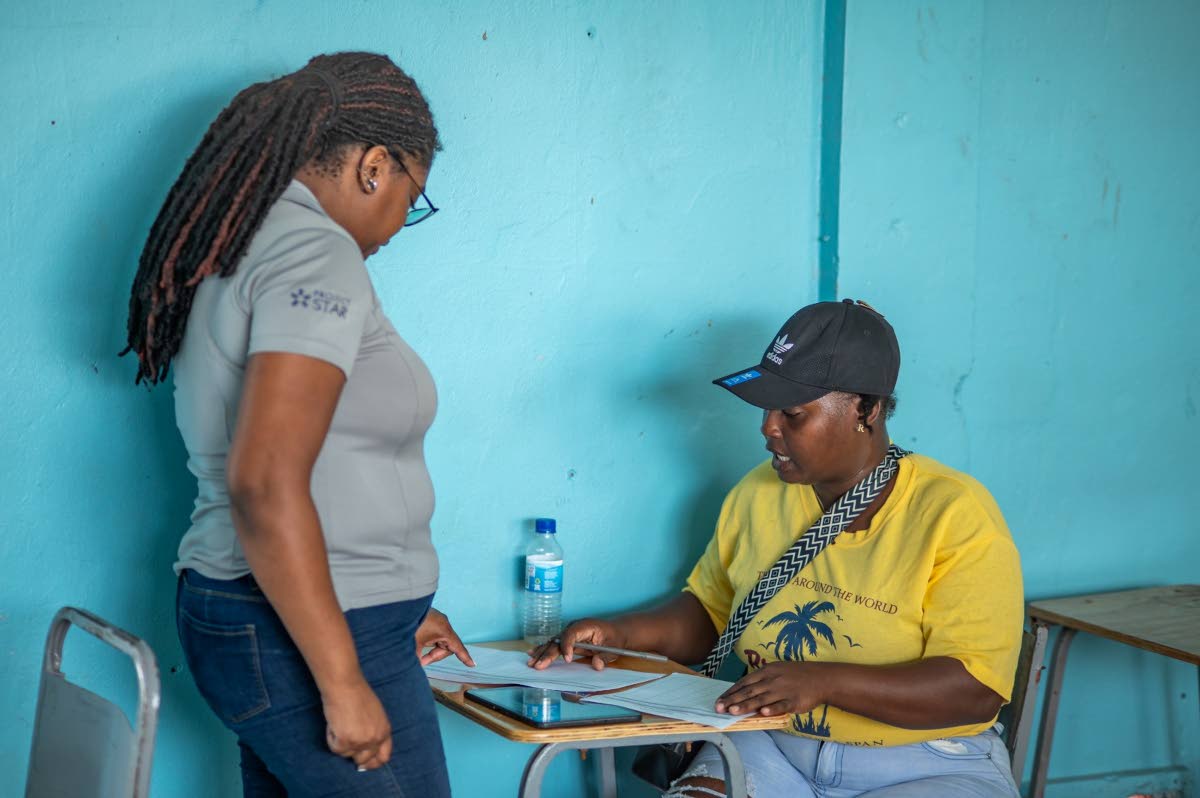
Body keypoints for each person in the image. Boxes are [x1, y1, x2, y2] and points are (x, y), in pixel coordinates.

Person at [122, 52, 473, 797]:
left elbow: (323, 459)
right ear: (375, 165)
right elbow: (264, 481)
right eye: (412, 199)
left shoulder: (245, 234)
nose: (399, 226)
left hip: (303, 616)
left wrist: (394, 596)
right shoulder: (316, 252)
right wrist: (342, 680)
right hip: (306, 633)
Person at [531, 299, 1024, 798]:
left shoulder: (953, 513)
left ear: (866, 410)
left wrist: (824, 683)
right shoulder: (759, 492)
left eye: (792, 413)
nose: (768, 427)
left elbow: (975, 690)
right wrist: (619, 634)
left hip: (924, 763)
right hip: (772, 745)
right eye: (767, 409)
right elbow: (713, 611)